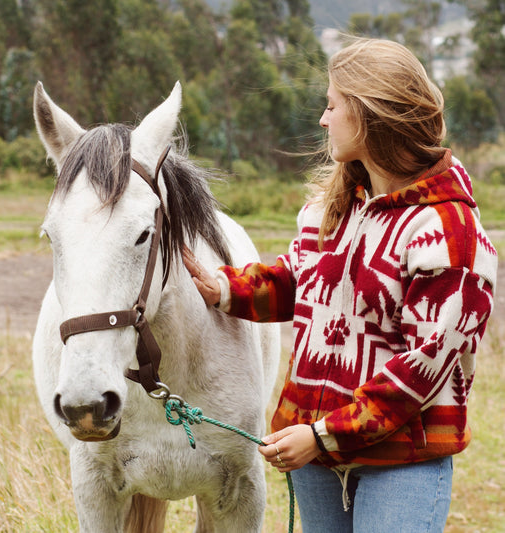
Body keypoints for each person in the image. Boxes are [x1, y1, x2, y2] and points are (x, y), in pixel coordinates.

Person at [183, 38, 497, 532]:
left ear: (372, 116)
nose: (324, 120)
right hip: (316, 461)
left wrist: (322, 435)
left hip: (400, 461)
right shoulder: (331, 210)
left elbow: (421, 370)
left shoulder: (448, 231)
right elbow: (299, 280)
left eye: (333, 106)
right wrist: (222, 288)